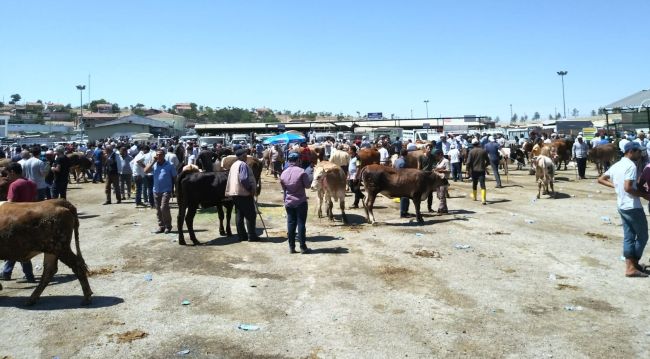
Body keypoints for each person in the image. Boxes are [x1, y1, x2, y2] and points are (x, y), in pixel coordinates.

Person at [598, 142, 650, 277]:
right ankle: (633, 264)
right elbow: (628, 188)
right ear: (631, 151)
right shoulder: (630, 166)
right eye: (639, 152)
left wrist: (616, 186)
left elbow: (601, 179)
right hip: (632, 206)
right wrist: (644, 195)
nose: (640, 155)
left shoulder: (617, 165)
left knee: (629, 236)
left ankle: (630, 267)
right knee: (643, 236)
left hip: (621, 205)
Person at [2, 162, 37, 283]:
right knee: (20, 247)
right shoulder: (31, 183)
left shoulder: (14, 185)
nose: (7, 177)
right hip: (30, 217)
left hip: (16, 219)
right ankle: (7, 272)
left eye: (7, 174)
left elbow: (10, 204)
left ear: (12, 172)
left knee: (17, 247)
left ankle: (28, 275)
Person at [280, 152, 311, 254]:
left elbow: (284, 188)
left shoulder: (283, 173)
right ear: (298, 160)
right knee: (301, 224)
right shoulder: (302, 171)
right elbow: (307, 186)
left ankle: (291, 247)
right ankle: (303, 247)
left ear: (289, 161)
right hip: (300, 201)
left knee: (290, 223)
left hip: (289, 201)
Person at [225, 148, 259, 241]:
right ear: (243, 156)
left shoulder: (234, 165)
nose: (246, 157)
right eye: (245, 155)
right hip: (244, 193)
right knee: (250, 215)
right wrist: (250, 189)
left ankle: (242, 236)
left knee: (239, 215)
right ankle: (251, 236)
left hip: (235, 193)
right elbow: (244, 179)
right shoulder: (243, 164)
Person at [145, 149, 177, 234]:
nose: (158, 156)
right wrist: (153, 162)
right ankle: (161, 226)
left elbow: (175, 177)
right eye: (157, 155)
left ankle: (168, 226)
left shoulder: (170, 165)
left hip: (166, 190)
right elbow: (146, 171)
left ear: (164, 156)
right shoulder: (154, 165)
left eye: (160, 155)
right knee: (158, 209)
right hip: (156, 190)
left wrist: (175, 188)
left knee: (164, 207)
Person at [466, 139, 490, 205]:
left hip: (474, 171)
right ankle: (483, 200)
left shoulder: (471, 152)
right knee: (483, 185)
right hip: (482, 170)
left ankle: (474, 197)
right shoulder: (483, 151)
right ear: (478, 143)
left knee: (474, 184)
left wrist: (467, 170)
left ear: (472, 144)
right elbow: (488, 161)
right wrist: (484, 166)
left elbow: (468, 162)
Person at [417, 143, 436, 212]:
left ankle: (429, 208)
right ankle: (418, 208)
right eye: (428, 148)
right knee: (420, 193)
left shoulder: (433, 157)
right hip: (422, 176)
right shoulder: (421, 157)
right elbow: (419, 167)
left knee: (430, 194)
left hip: (430, 176)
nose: (430, 150)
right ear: (426, 149)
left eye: (431, 149)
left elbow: (434, 165)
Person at [393, 149, 411, 218]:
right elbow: (405, 173)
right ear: (406, 154)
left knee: (402, 197)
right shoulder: (403, 162)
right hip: (403, 181)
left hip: (397, 180)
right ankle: (403, 213)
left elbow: (393, 168)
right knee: (405, 197)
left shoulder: (396, 160)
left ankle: (403, 212)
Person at [433, 149, 450, 213]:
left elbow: (448, 170)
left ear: (440, 155)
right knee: (439, 195)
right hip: (438, 180)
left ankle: (440, 209)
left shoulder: (446, 161)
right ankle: (445, 209)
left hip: (443, 180)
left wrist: (440, 170)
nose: (436, 157)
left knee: (442, 195)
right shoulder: (439, 162)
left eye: (436, 156)